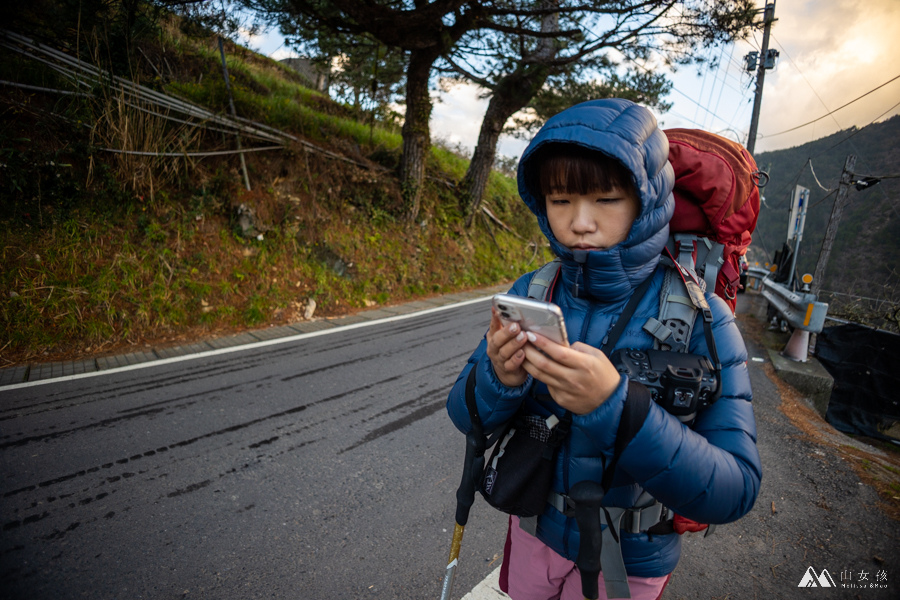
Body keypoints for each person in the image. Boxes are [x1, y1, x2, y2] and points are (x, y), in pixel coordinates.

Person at [446, 98, 761, 600]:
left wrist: (616, 409)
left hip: (631, 557)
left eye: (606, 199)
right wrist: (497, 379)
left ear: (647, 199)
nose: (579, 222)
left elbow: (735, 487)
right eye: (560, 199)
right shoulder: (534, 290)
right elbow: (463, 415)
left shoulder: (702, 316)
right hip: (533, 532)